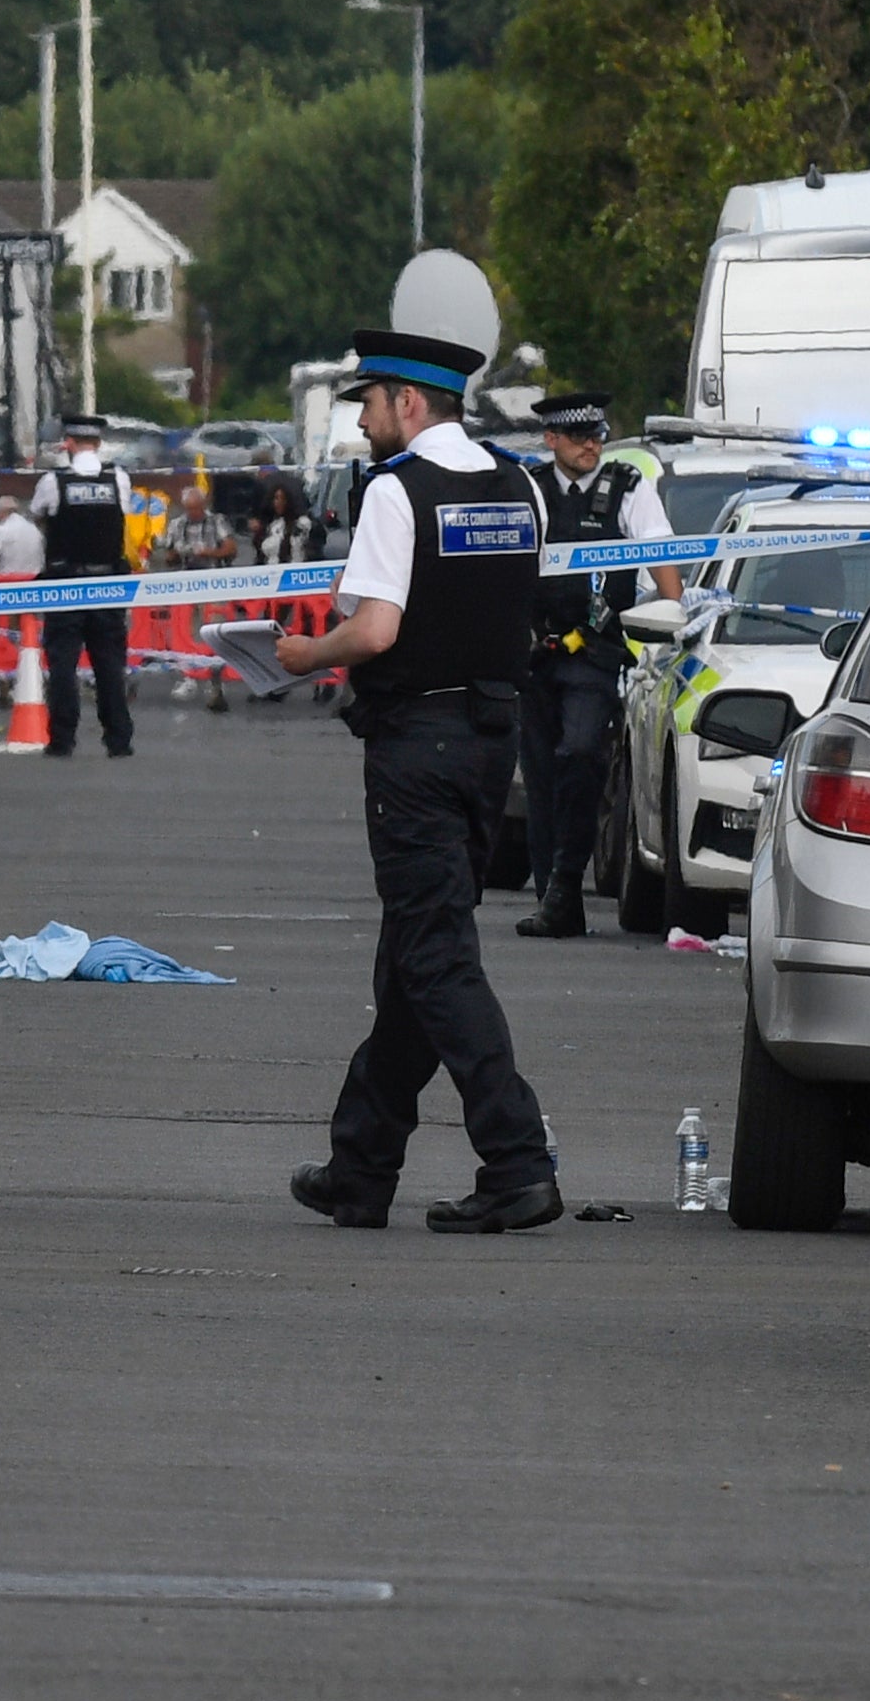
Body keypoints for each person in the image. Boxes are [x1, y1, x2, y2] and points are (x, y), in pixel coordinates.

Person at [273, 328, 564, 1234]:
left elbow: (375, 631)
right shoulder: (520, 486)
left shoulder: (400, 492)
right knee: (415, 952)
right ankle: (360, 1169)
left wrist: (300, 655)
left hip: (419, 747)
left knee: (435, 958)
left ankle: (516, 1161)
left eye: (369, 401)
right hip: (489, 742)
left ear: (409, 404)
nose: (360, 419)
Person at [512, 391, 684, 939]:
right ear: (552, 439)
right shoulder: (529, 492)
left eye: (599, 435)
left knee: (581, 753)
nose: (593, 445)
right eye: (580, 436)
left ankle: (565, 882)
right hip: (534, 654)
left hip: (594, 651)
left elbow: (661, 559)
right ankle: (554, 900)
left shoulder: (628, 491)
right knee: (540, 774)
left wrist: (673, 619)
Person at [25, 412, 143, 759]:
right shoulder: (117, 478)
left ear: (69, 444)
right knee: (109, 664)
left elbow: (38, 514)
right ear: (99, 443)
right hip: (108, 583)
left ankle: (62, 739)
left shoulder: (53, 481)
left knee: (62, 664)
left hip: (66, 584)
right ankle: (118, 739)